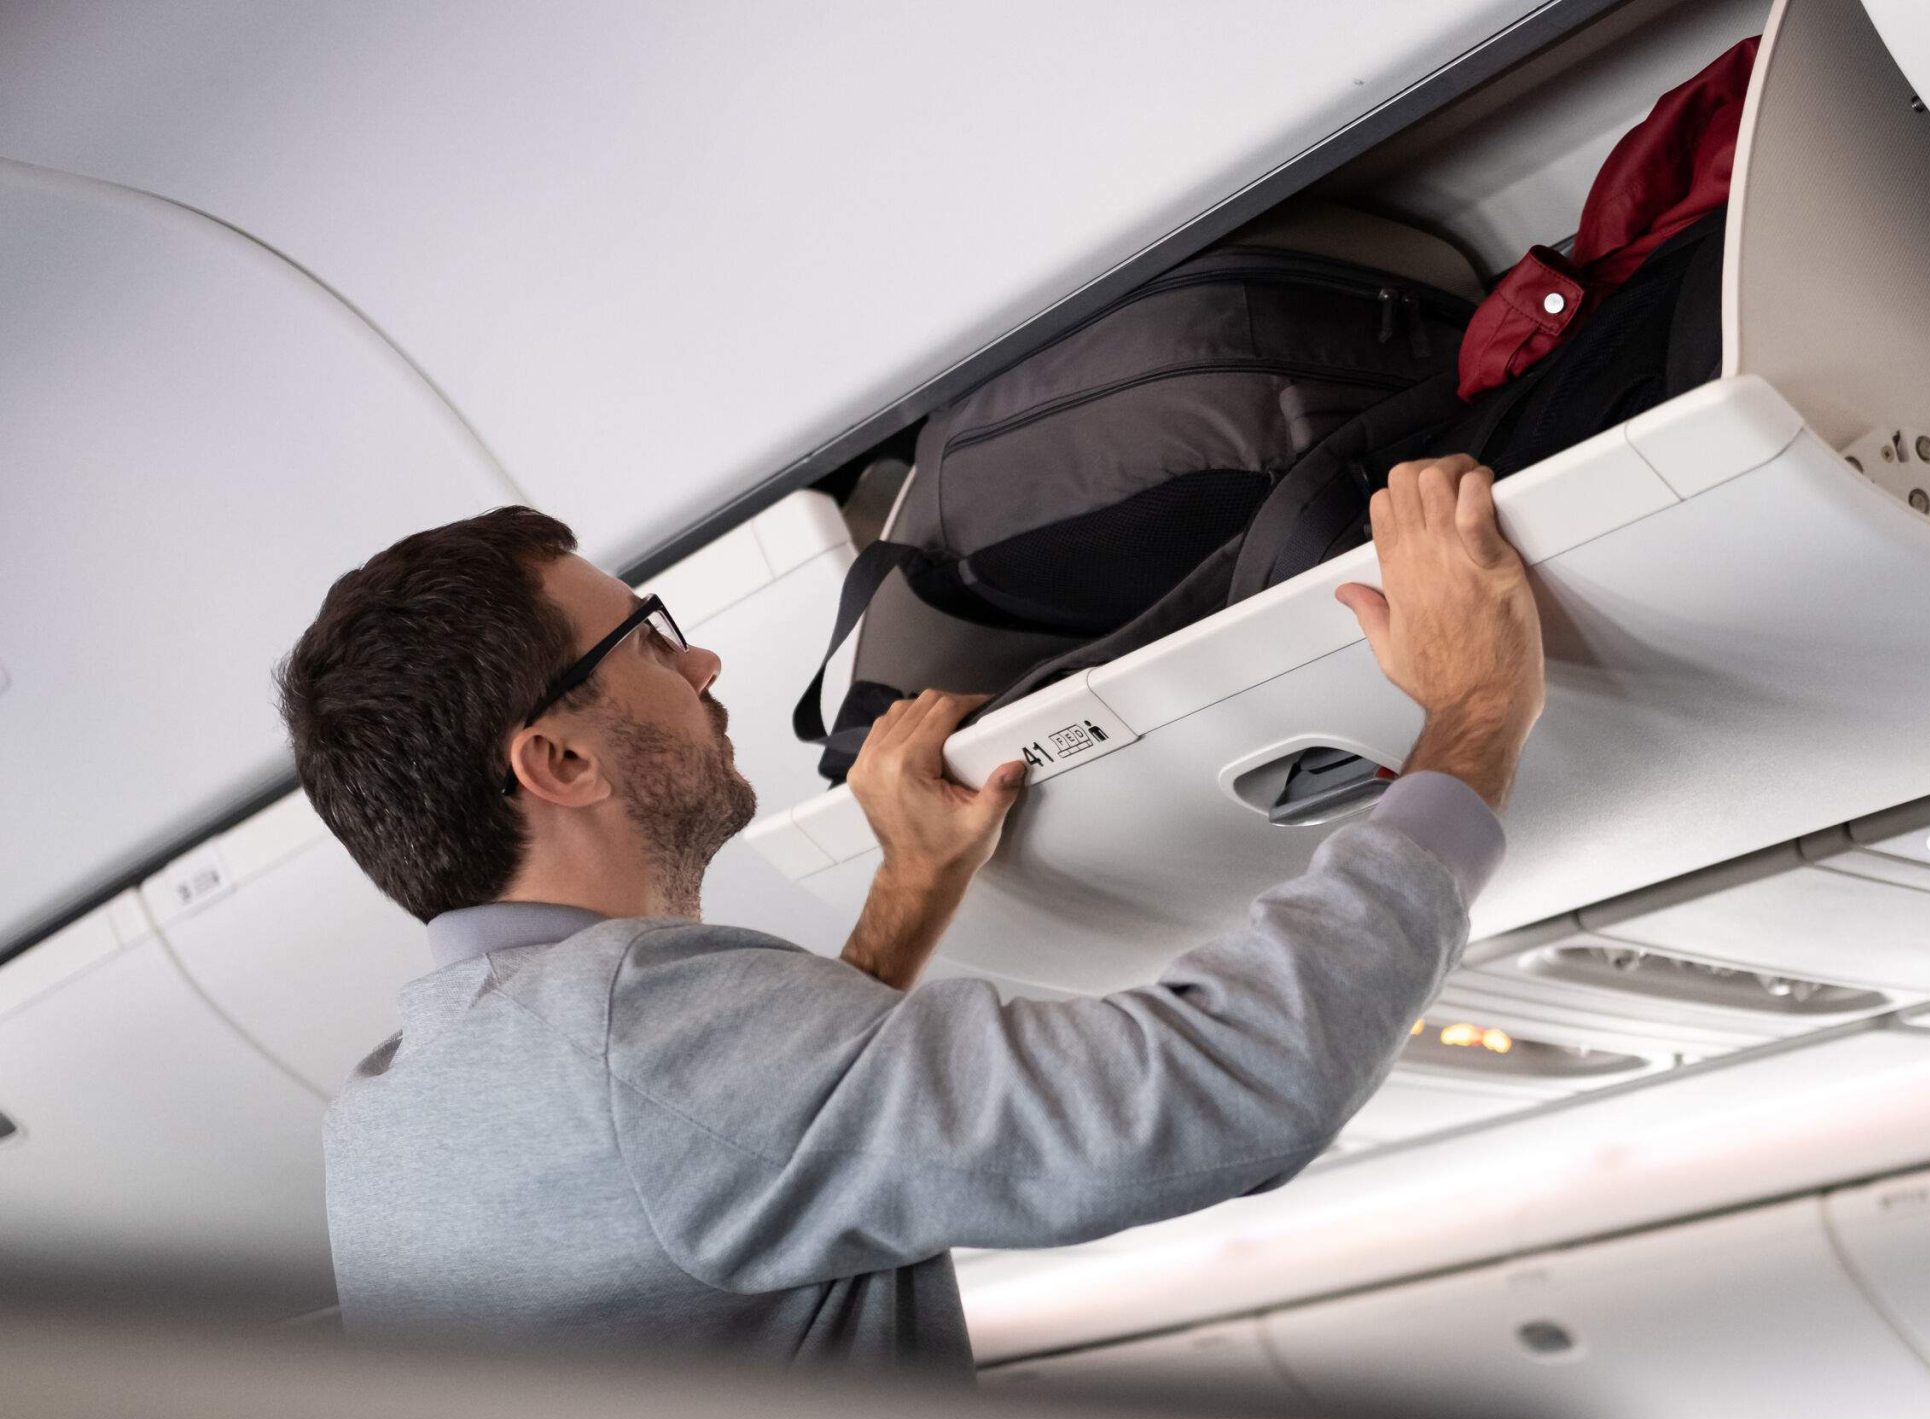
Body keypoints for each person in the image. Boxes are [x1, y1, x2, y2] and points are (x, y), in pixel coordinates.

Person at [278, 456, 1544, 1370]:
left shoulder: (393, 1121)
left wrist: (906, 894)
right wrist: (1470, 715)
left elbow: (745, 1171)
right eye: (649, 643)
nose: (703, 665)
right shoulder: (633, 1036)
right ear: (558, 763)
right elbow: (1232, 1086)